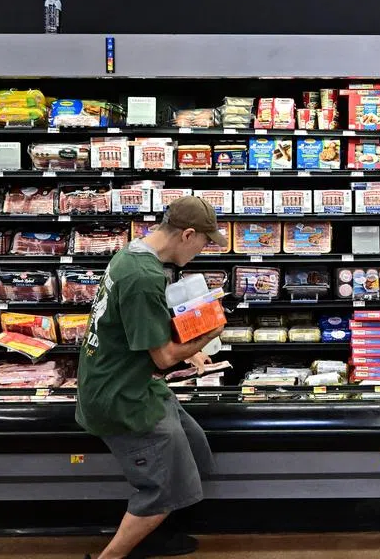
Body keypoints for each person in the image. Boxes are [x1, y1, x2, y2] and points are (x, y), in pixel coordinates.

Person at [76, 195, 228, 559]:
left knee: (194, 451)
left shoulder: (132, 254)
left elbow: (140, 333)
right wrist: (208, 332)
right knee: (163, 488)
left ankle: (151, 534)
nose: (203, 251)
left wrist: (191, 344)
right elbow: (162, 359)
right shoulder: (144, 277)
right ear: (187, 235)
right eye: (205, 243)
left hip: (131, 383)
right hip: (122, 397)